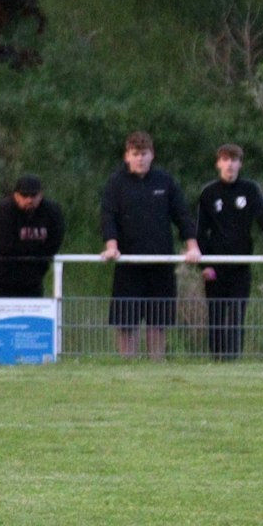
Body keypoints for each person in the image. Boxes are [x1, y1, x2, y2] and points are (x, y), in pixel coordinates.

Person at [99, 131, 192, 358]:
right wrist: (111, 246)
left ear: (152, 155)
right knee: (126, 320)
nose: (140, 158)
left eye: (144, 154)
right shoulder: (116, 183)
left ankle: (156, 365)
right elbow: (108, 216)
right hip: (128, 262)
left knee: (158, 320)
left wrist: (192, 246)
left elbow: (182, 215)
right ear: (127, 156)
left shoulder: (165, 181)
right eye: (135, 154)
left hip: (161, 261)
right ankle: (126, 363)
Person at [189, 144, 263, 360]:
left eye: (234, 160)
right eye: (225, 159)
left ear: (240, 163)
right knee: (216, 315)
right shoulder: (209, 193)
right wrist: (205, 265)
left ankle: (233, 359)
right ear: (218, 163)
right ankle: (217, 359)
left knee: (237, 314)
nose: (230, 164)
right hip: (215, 267)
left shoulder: (250, 190)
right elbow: (200, 230)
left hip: (241, 266)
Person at [0, 174, 65, 297]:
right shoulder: (5, 210)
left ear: (41, 195)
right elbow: (4, 246)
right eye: (24, 195)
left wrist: (37, 265)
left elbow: (54, 241)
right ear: (16, 196)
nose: (29, 200)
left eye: (33, 195)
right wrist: (34, 251)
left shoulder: (52, 212)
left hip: (31, 279)